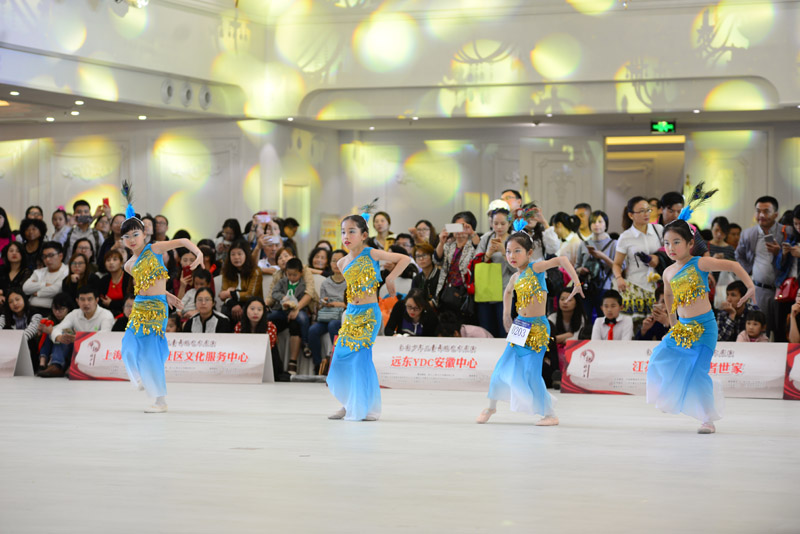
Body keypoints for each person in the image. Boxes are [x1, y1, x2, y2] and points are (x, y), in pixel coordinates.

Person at [647, 185, 755, 434]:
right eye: (667, 243)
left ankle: (708, 419)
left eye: (676, 242)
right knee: (658, 358)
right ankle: (670, 397)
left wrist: (750, 287)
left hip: (705, 328)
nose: (671, 247)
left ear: (689, 243)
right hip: (683, 329)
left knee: (698, 373)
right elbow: (668, 296)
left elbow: (734, 266)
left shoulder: (700, 263)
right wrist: (673, 325)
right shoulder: (668, 271)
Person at [476, 228, 582, 426]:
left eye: (517, 251)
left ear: (529, 252)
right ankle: (491, 407)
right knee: (501, 367)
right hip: (519, 326)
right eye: (508, 251)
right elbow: (507, 292)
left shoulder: (536, 268)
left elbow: (561, 260)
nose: (512, 256)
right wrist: (506, 314)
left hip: (537, 328)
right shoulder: (515, 277)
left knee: (532, 373)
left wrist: (576, 283)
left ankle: (550, 414)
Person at [118, 182, 201, 412]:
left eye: (136, 234)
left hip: (156, 308)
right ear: (122, 240)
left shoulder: (153, 249)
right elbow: (147, 284)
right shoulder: (129, 265)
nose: (132, 239)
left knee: (151, 352)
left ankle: (160, 401)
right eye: (127, 236)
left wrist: (199, 253)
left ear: (144, 234)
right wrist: (168, 293)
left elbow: (183, 242)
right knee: (127, 345)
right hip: (140, 306)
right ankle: (140, 378)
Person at [327, 211, 411, 422]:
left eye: (351, 231)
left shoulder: (371, 253)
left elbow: (405, 258)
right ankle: (348, 403)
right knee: (339, 361)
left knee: (360, 361)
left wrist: (390, 278)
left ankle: (367, 408)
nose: (346, 236)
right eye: (343, 232)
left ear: (363, 235)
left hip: (369, 315)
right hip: (351, 315)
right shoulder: (342, 263)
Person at [735, 196, 792, 340]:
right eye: (758, 211)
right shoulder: (748, 234)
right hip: (759, 289)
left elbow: (793, 258)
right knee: (759, 330)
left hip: (783, 291)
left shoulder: (787, 232)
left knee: (782, 330)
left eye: (766, 211)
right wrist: (748, 272)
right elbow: (738, 255)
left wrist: (779, 253)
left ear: (776, 214)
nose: (761, 215)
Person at [39, 285, 115, 377]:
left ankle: (73, 367)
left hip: (96, 352)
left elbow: (105, 336)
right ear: (77, 301)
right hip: (76, 350)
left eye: (89, 299)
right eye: (82, 300)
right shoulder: (74, 314)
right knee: (64, 333)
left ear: (96, 300)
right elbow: (58, 328)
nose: (86, 303)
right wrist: (59, 337)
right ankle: (56, 365)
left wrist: (79, 339)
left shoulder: (106, 315)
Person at [613, 196, 663, 323]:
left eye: (648, 210)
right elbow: (617, 264)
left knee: (657, 325)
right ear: (631, 215)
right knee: (635, 326)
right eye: (641, 211)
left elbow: (668, 254)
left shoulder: (659, 230)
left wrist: (657, 258)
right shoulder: (625, 237)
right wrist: (619, 278)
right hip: (635, 287)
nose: (646, 214)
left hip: (658, 287)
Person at [268, 258, 313, 375]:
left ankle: (305, 343)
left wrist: (295, 307)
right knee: (270, 316)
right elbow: (274, 293)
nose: (292, 277)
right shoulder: (282, 282)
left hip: (297, 310)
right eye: (289, 274)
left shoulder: (303, 285)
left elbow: (307, 298)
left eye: (295, 275)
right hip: (282, 311)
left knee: (303, 319)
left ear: (301, 273)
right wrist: (283, 298)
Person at [434, 211, 480, 321]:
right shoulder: (449, 245)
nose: (459, 231)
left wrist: (473, 234)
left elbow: (480, 252)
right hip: (447, 291)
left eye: (463, 227)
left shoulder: (473, 244)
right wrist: (441, 242)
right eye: (456, 227)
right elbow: (437, 261)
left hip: (465, 293)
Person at [475, 207, 514, 337]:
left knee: (505, 330)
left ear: (509, 223)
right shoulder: (486, 238)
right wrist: (488, 254)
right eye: (495, 223)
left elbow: (518, 269)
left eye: (503, 223)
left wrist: (504, 252)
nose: (499, 227)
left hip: (505, 292)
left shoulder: (514, 240)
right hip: (486, 291)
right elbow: (476, 263)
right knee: (486, 331)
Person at [308, 249, 347, 374]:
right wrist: (323, 302)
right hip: (327, 315)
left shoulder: (350, 282)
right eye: (333, 261)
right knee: (313, 330)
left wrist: (337, 304)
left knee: (333, 325)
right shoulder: (326, 282)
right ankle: (318, 365)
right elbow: (320, 304)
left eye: (339, 261)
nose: (336, 264)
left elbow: (353, 303)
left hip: (342, 317)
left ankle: (337, 360)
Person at [575, 210, 617, 315]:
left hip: (605, 287)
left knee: (604, 318)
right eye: (593, 222)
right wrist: (580, 270)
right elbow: (576, 267)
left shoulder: (613, 244)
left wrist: (602, 256)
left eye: (600, 221)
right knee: (585, 317)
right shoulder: (584, 244)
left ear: (606, 225)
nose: (596, 225)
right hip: (586, 287)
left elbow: (619, 267)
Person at [233, 296, 284, 380]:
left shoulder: (270, 327)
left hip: (267, 363)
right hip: (245, 361)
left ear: (264, 312)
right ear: (246, 310)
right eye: (252, 309)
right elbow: (238, 348)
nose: (255, 312)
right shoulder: (239, 326)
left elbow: (268, 350)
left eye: (259, 309)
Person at [0, 287, 43, 371]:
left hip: (30, 348)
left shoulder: (35, 314)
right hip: (10, 348)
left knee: (30, 342)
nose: (15, 303)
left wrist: (14, 341)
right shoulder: (5, 316)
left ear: (24, 299)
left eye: (17, 299)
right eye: (10, 302)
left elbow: (31, 331)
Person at [219, 239, 263, 323]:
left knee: (245, 310)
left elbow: (251, 294)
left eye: (239, 254)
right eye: (233, 254)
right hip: (233, 302)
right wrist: (233, 304)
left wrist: (230, 293)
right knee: (226, 309)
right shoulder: (226, 271)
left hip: (252, 303)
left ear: (246, 255)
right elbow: (223, 295)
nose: (236, 257)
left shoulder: (255, 271)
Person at [22, 241, 69, 316]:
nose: (47, 259)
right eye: (44, 256)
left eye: (51, 255)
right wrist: (44, 284)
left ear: (60, 256)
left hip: (52, 312)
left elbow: (56, 290)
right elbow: (26, 288)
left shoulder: (67, 271)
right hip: (31, 309)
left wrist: (37, 293)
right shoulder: (38, 272)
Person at [36, 292, 75, 370]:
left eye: (61, 309)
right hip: (49, 351)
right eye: (55, 308)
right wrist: (39, 334)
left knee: (60, 333)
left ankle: (54, 362)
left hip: (67, 351)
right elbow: (39, 340)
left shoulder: (73, 319)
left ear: (68, 309)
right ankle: (42, 362)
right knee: (47, 331)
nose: (57, 312)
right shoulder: (50, 319)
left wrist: (53, 332)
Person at [95, 250, 133, 317]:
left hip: (126, 314)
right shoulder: (104, 280)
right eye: (108, 260)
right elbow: (100, 300)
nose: (111, 262)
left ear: (121, 262)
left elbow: (131, 300)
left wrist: (112, 303)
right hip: (107, 314)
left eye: (115, 259)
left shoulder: (128, 278)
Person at [0, 242, 32, 308]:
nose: (14, 253)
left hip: (18, 306)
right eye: (11, 251)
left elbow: (21, 291)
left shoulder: (27, 272)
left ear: (22, 254)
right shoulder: (1, 269)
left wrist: (2, 292)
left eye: (18, 251)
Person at [410, 243, 441, 307]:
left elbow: (442, 298)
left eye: (424, 255)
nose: (421, 259)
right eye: (418, 256)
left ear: (432, 256)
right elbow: (413, 297)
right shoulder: (416, 279)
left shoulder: (440, 275)